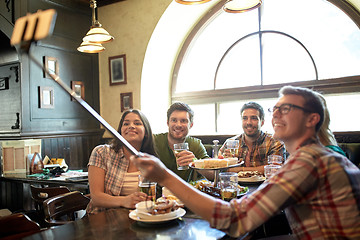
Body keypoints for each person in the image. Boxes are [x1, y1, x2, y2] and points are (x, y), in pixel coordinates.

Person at [131, 86, 360, 239]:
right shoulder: (311, 156)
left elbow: (234, 219)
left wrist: (163, 176)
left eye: (287, 109)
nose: (276, 115)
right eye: (275, 109)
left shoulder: (308, 162)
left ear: (312, 120)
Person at [86, 109, 157, 214]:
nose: (131, 126)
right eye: (126, 123)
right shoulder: (102, 152)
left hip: (139, 217)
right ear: (120, 132)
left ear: (146, 132)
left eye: (137, 123)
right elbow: (96, 198)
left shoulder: (150, 160)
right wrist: (125, 201)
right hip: (102, 219)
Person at [218, 102, 285, 173]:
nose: (248, 123)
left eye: (253, 118)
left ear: (262, 122)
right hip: (235, 183)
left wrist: (239, 170)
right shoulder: (230, 142)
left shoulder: (275, 143)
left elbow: (275, 169)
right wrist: (224, 160)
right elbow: (219, 167)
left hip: (264, 184)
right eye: (245, 118)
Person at [154, 102, 209, 182]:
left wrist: (195, 163)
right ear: (167, 123)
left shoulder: (195, 144)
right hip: (157, 193)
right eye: (174, 120)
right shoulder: (154, 141)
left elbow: (211, 173)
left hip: (185, 193)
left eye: (183, 121)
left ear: (191, 125)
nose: (178, 125)